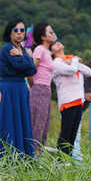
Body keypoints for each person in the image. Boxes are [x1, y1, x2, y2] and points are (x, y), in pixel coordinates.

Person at [0, 18, 38, 161]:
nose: (19, 33)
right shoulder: (7, 48)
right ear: (10, 32)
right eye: (15, 30)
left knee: (22, 122)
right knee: (6, 121)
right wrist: (28, 58)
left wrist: (23, 56)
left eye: (22, 30)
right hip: (8, 89)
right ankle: (1, 158)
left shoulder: (22, 50)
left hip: (21, 89)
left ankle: (23, 158)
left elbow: (32, 70)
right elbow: (21, 66)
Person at [51, 40, 91, 156]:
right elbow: (72, 70)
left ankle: (67, 162)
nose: (58, 43)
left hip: (79, 101)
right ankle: (61, 160)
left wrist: (73, 61)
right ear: (51, 51)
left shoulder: (71, 60)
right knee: (65, 133)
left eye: (59, 42)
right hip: (68, 101)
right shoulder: (56, 63)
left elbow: (89, 72)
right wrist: (74, 61)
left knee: (73, 135)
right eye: (54, 44)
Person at [29, 21, 55, 156]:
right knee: (37, 125)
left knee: (44, 126)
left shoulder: (47, 51)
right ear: (43, 37)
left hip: (46, 90)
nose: (53, 34)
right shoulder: (39, 49)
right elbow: (30, 69)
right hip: (39, 89)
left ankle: (36, 156)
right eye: (50, 32)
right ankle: (32, 158)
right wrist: (34, 85)